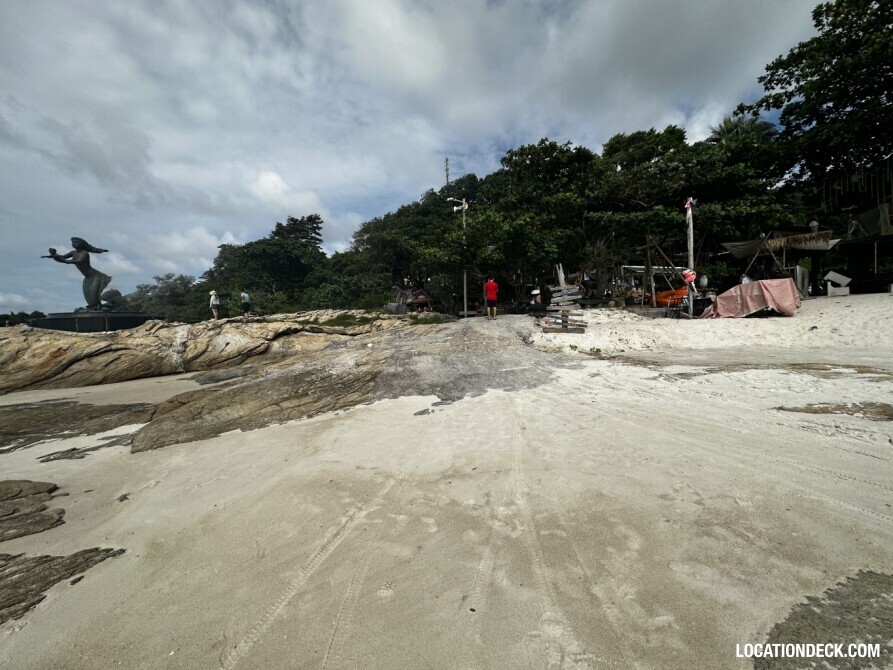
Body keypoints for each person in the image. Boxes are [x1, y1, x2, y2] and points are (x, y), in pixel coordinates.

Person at [43, 237, 112, 309]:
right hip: (87, 278)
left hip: (95, 276)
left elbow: (79, 261)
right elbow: (63, 257)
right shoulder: (73, 252)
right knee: (89, 298)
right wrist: (54, 255)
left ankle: (101, 308)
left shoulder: (84, 253)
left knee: (93, 297)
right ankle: (97, 307)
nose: (73, 244)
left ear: (82, 244)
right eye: (73, 242)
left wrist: (65, 261)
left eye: (76, 242)